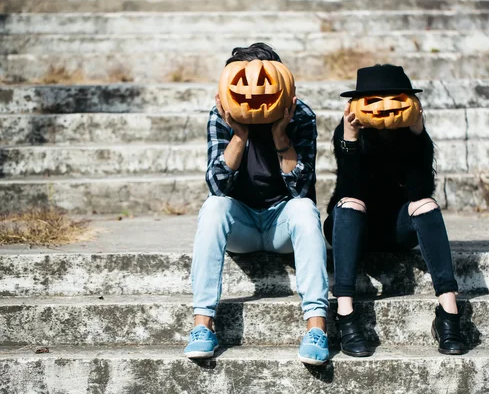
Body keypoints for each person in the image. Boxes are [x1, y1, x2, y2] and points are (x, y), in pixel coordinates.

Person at [184, 43, 329, 365]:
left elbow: (302, 188)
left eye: (264, 82)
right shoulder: (221, 115)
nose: (252, 91)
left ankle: (317, 327)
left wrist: (280, 136)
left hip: (283, 224)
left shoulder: (300, 115)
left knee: (305, 209)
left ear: (284, 84)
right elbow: (218, 185)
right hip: (242, 224)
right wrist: (239, 134)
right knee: (214, 207)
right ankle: (202, 325)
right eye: (241, 83)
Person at [323, 64, 467, 357]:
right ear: (357, 104)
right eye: (374, 100)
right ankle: (345, 313)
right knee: (351, 203)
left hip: (397, 229)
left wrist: (418, 136)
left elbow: (420, 190)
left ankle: (449, 313)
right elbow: (350, 189)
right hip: (354, 227)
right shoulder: (347, 133)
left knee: (426, 205)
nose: (385, 107)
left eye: (394, 98)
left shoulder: (410, 135)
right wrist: (350, 139)